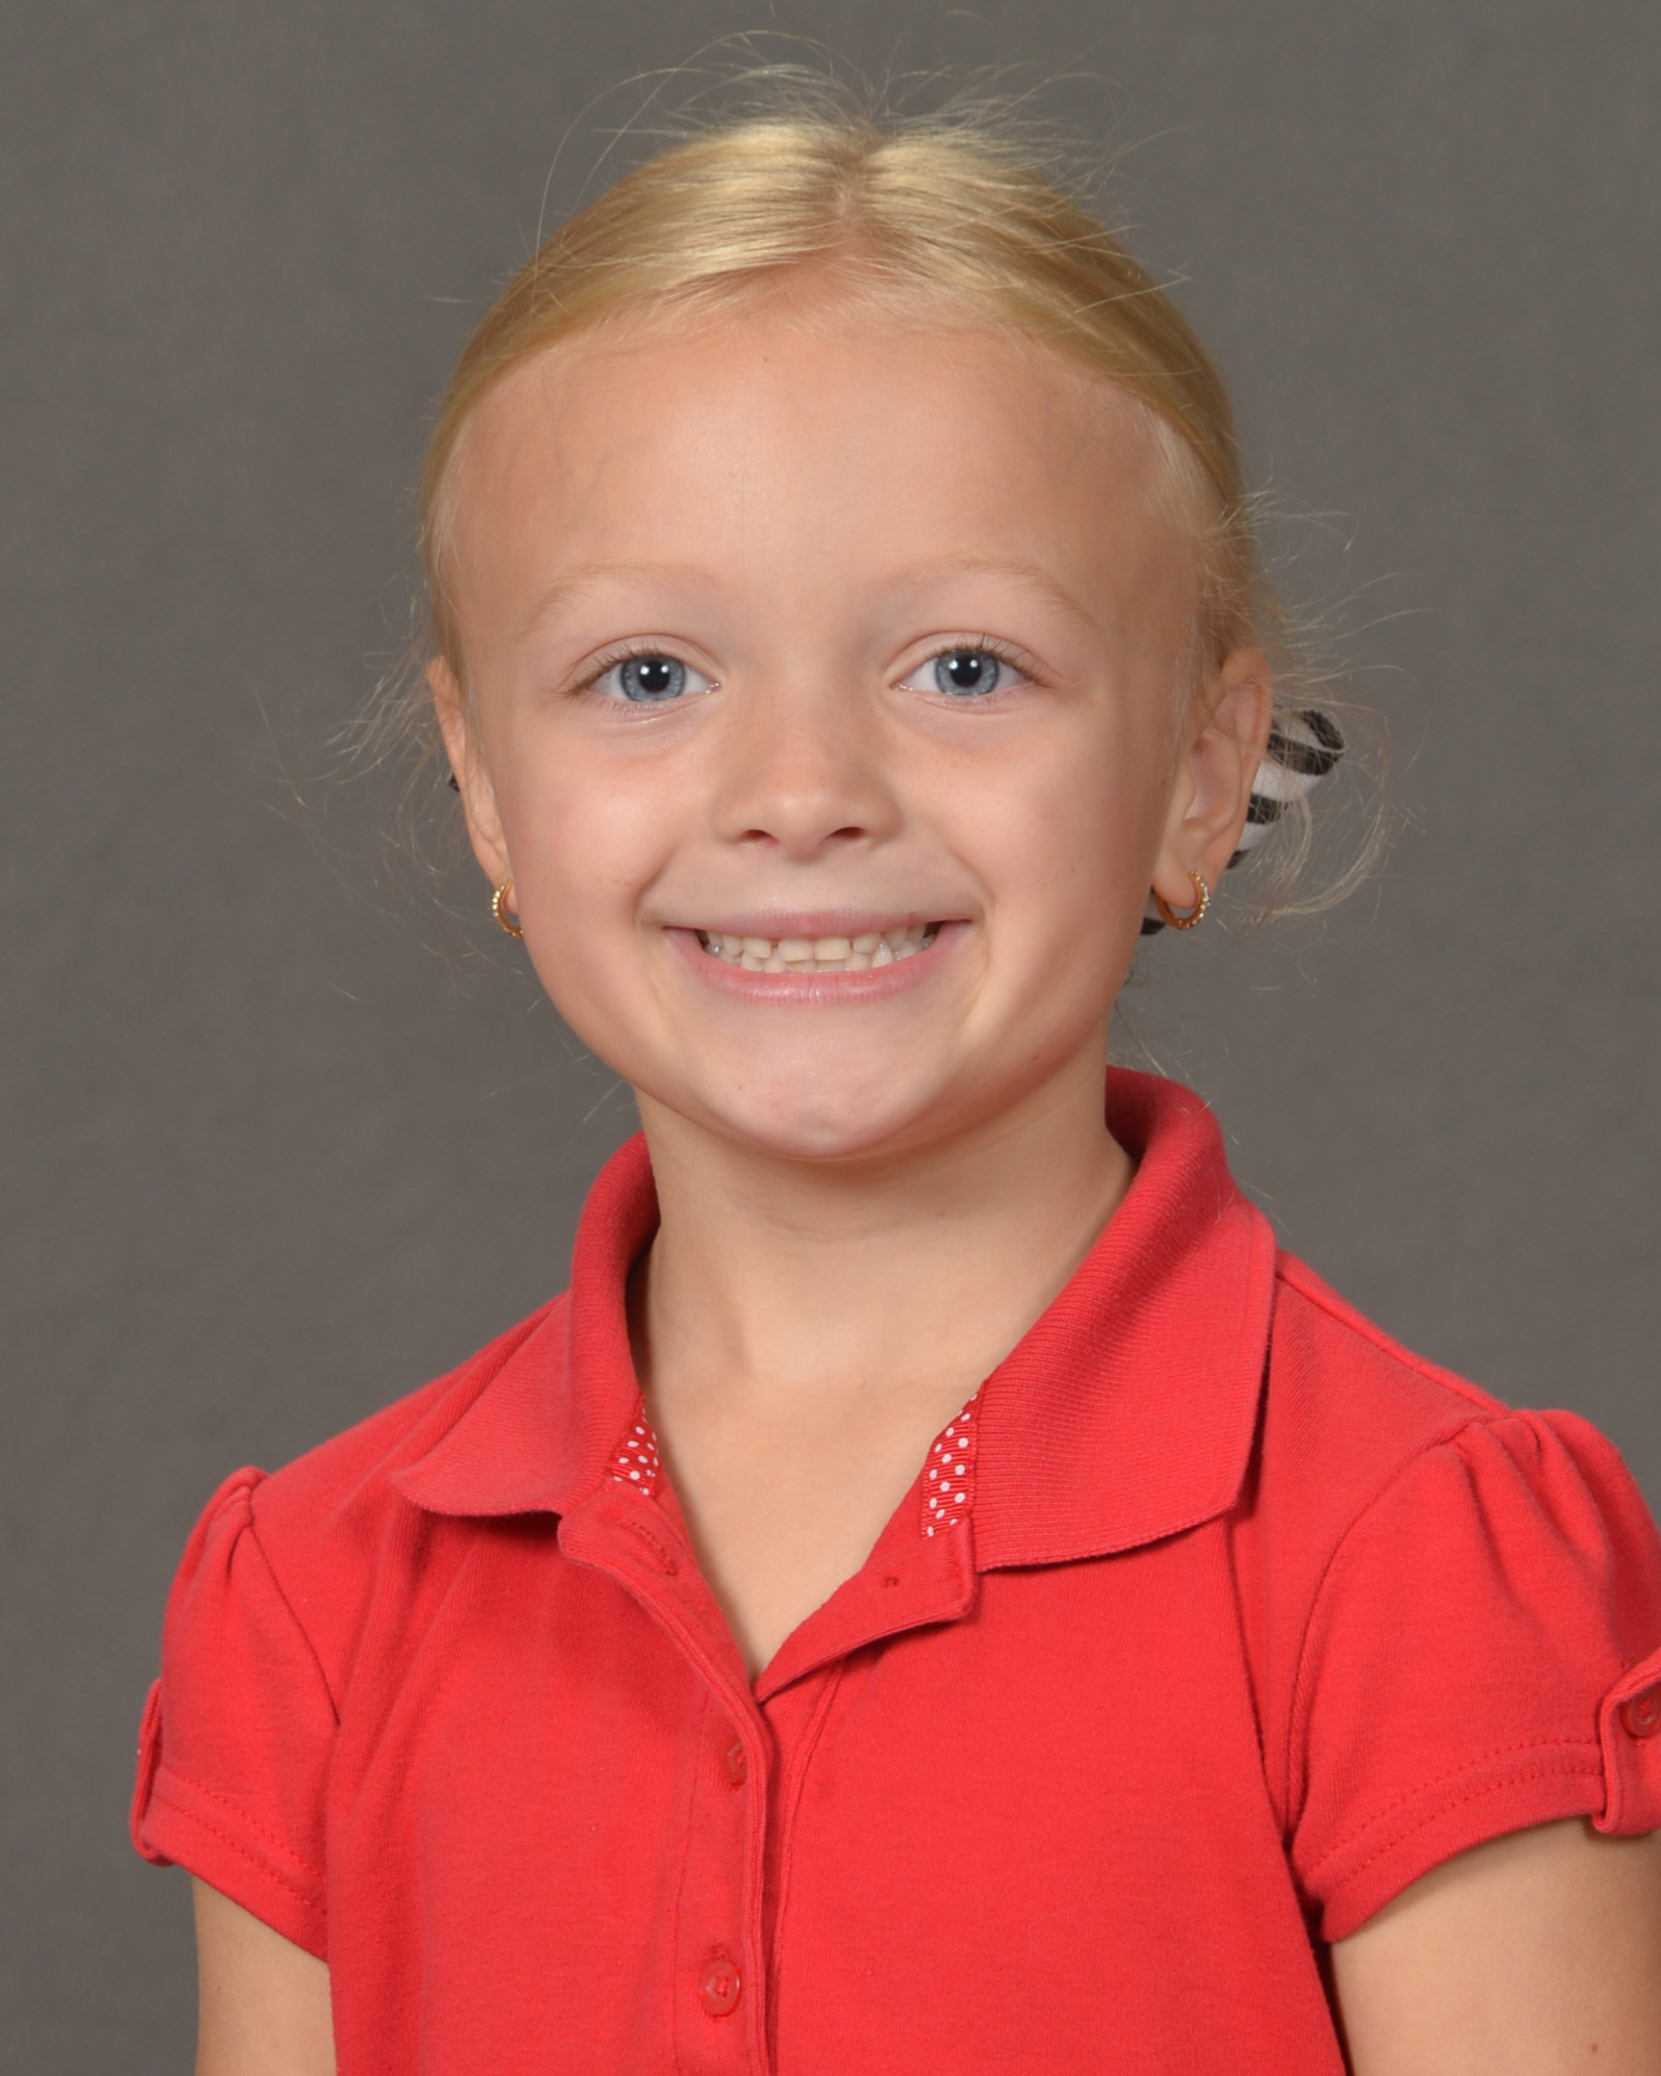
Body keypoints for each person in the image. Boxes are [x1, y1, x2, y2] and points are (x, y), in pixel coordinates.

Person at [131, 89, 1661, 2075]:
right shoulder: (317, 1597)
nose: (801, 795)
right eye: (648, 675)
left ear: (1201, 777)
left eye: (962, 668)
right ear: (487, 789)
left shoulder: (1416, 1560)